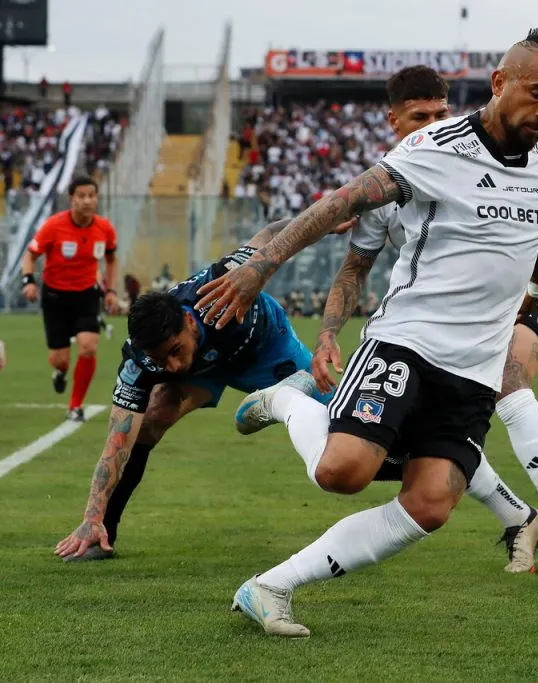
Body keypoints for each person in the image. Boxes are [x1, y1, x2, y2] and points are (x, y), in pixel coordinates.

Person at [197, 28, 538, 638]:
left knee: (430, 505)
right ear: (500, 83)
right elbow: (339, 204)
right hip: (409, 343)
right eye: (537, 93)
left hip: (475, 370)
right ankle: (287, 400)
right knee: (340, 473)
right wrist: (258, 268)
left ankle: (270, 587)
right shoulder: (434, 148)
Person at [313, 65, 538, 573]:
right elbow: (355, 268)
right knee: (427, 433)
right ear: (394, 121)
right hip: (454, 323)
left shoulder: (477, 150)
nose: (432, 121)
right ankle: (519, 517)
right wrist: (328, 332)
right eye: (419, 115)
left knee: (509, 381)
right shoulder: (391, 187)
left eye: (440, 112)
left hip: (532, 288)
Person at [52, 220, 337, 562]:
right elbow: (116, 444)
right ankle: (104, 536)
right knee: (150, 420)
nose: (171, 366)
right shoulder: (139, 363)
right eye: (160, 359)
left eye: (174, 350)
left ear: (188, 322)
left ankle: (293, 388)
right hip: (207, 368)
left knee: (339, 421)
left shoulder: (221, 283)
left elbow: (270, 234)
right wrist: (91, 517)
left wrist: (323, 218)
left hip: (268, 349)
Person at [21, 176, 119, 422]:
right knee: (60, 360)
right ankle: (60, 372)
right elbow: (30, 256)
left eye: (91, 195)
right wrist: (29, 281)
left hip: (86, 295)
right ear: (72, 200)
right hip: (55, 298)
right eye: (82, 196)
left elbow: (110, 259)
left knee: (88, 347)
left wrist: (109, 290)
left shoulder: (104, 228)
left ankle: (75, 406)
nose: (87, 201)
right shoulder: (53, 226)